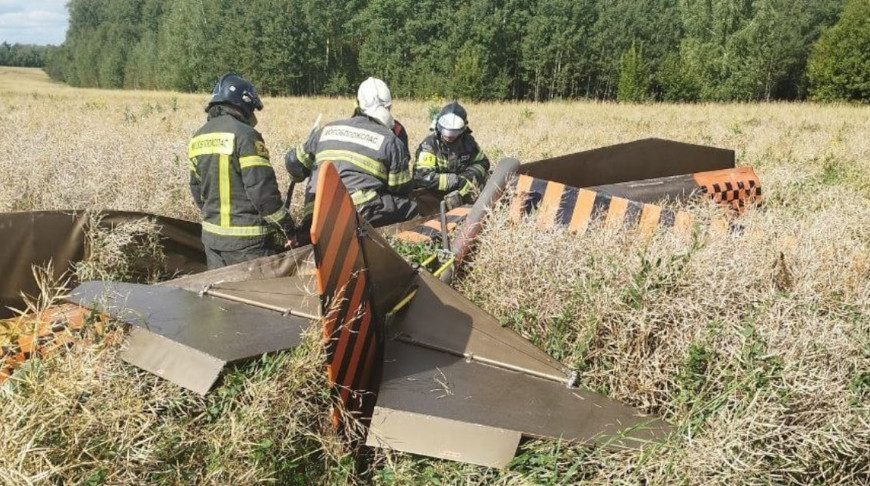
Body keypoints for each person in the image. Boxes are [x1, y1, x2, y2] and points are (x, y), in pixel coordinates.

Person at [284, 77, 418, 243]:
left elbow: (293, 163)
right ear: (388, 107)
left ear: (357, 104)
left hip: (316, 214)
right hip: (357, 213)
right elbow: (401, 188)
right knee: (410, 206)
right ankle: (404, 247)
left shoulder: (327, 129)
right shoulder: (391, 141)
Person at [188, 73, 295, 269]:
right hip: (248, 244)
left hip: (212, 241)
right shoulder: (246, 136)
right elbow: (263, 192)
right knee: (253, 296)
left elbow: (196, 189)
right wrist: (287, 228)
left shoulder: (198, 137)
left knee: (222, 296)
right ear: (243, 104)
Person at [412, 101, 490, 216]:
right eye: (446, 132)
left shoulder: (468, 142)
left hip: (463, 193)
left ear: (463, 129)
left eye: (454, 133)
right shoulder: (429, 145)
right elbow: (421, 176)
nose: (449, 136)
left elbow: (483, 162)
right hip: (433, 197)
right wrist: (453, 181)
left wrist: (468, 176)